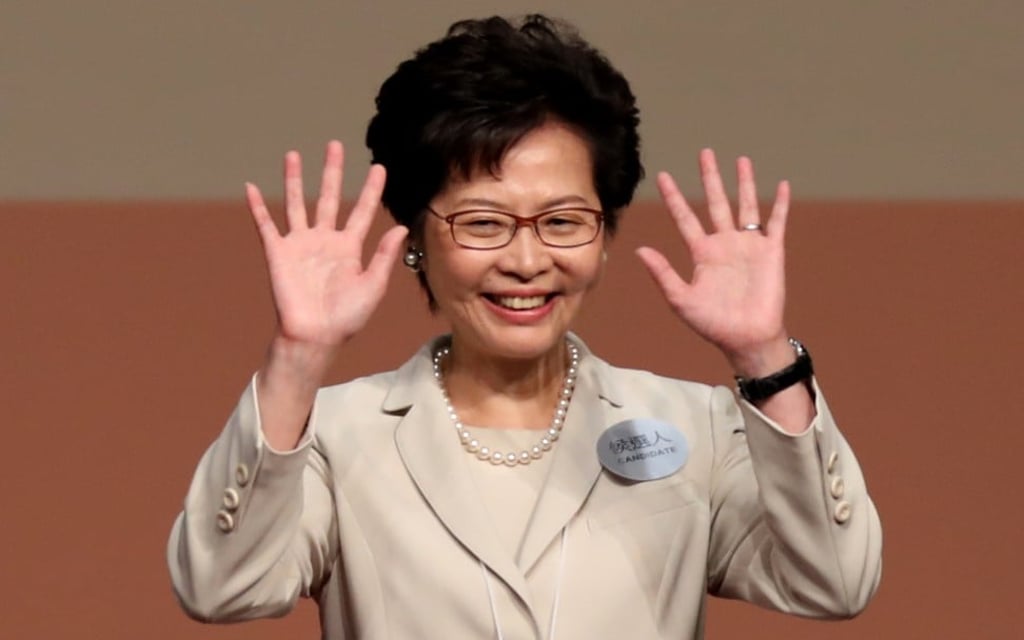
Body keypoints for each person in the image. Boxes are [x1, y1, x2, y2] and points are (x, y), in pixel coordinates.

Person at [168, 14, 881, 639]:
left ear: (604, 237)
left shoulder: (696, 426)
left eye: (564, 221)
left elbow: (835, 584)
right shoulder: (334, 433)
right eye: (483, 223)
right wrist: (298, 357)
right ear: (418, 235)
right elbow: (222, 590)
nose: (527, 259)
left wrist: (764, 356)